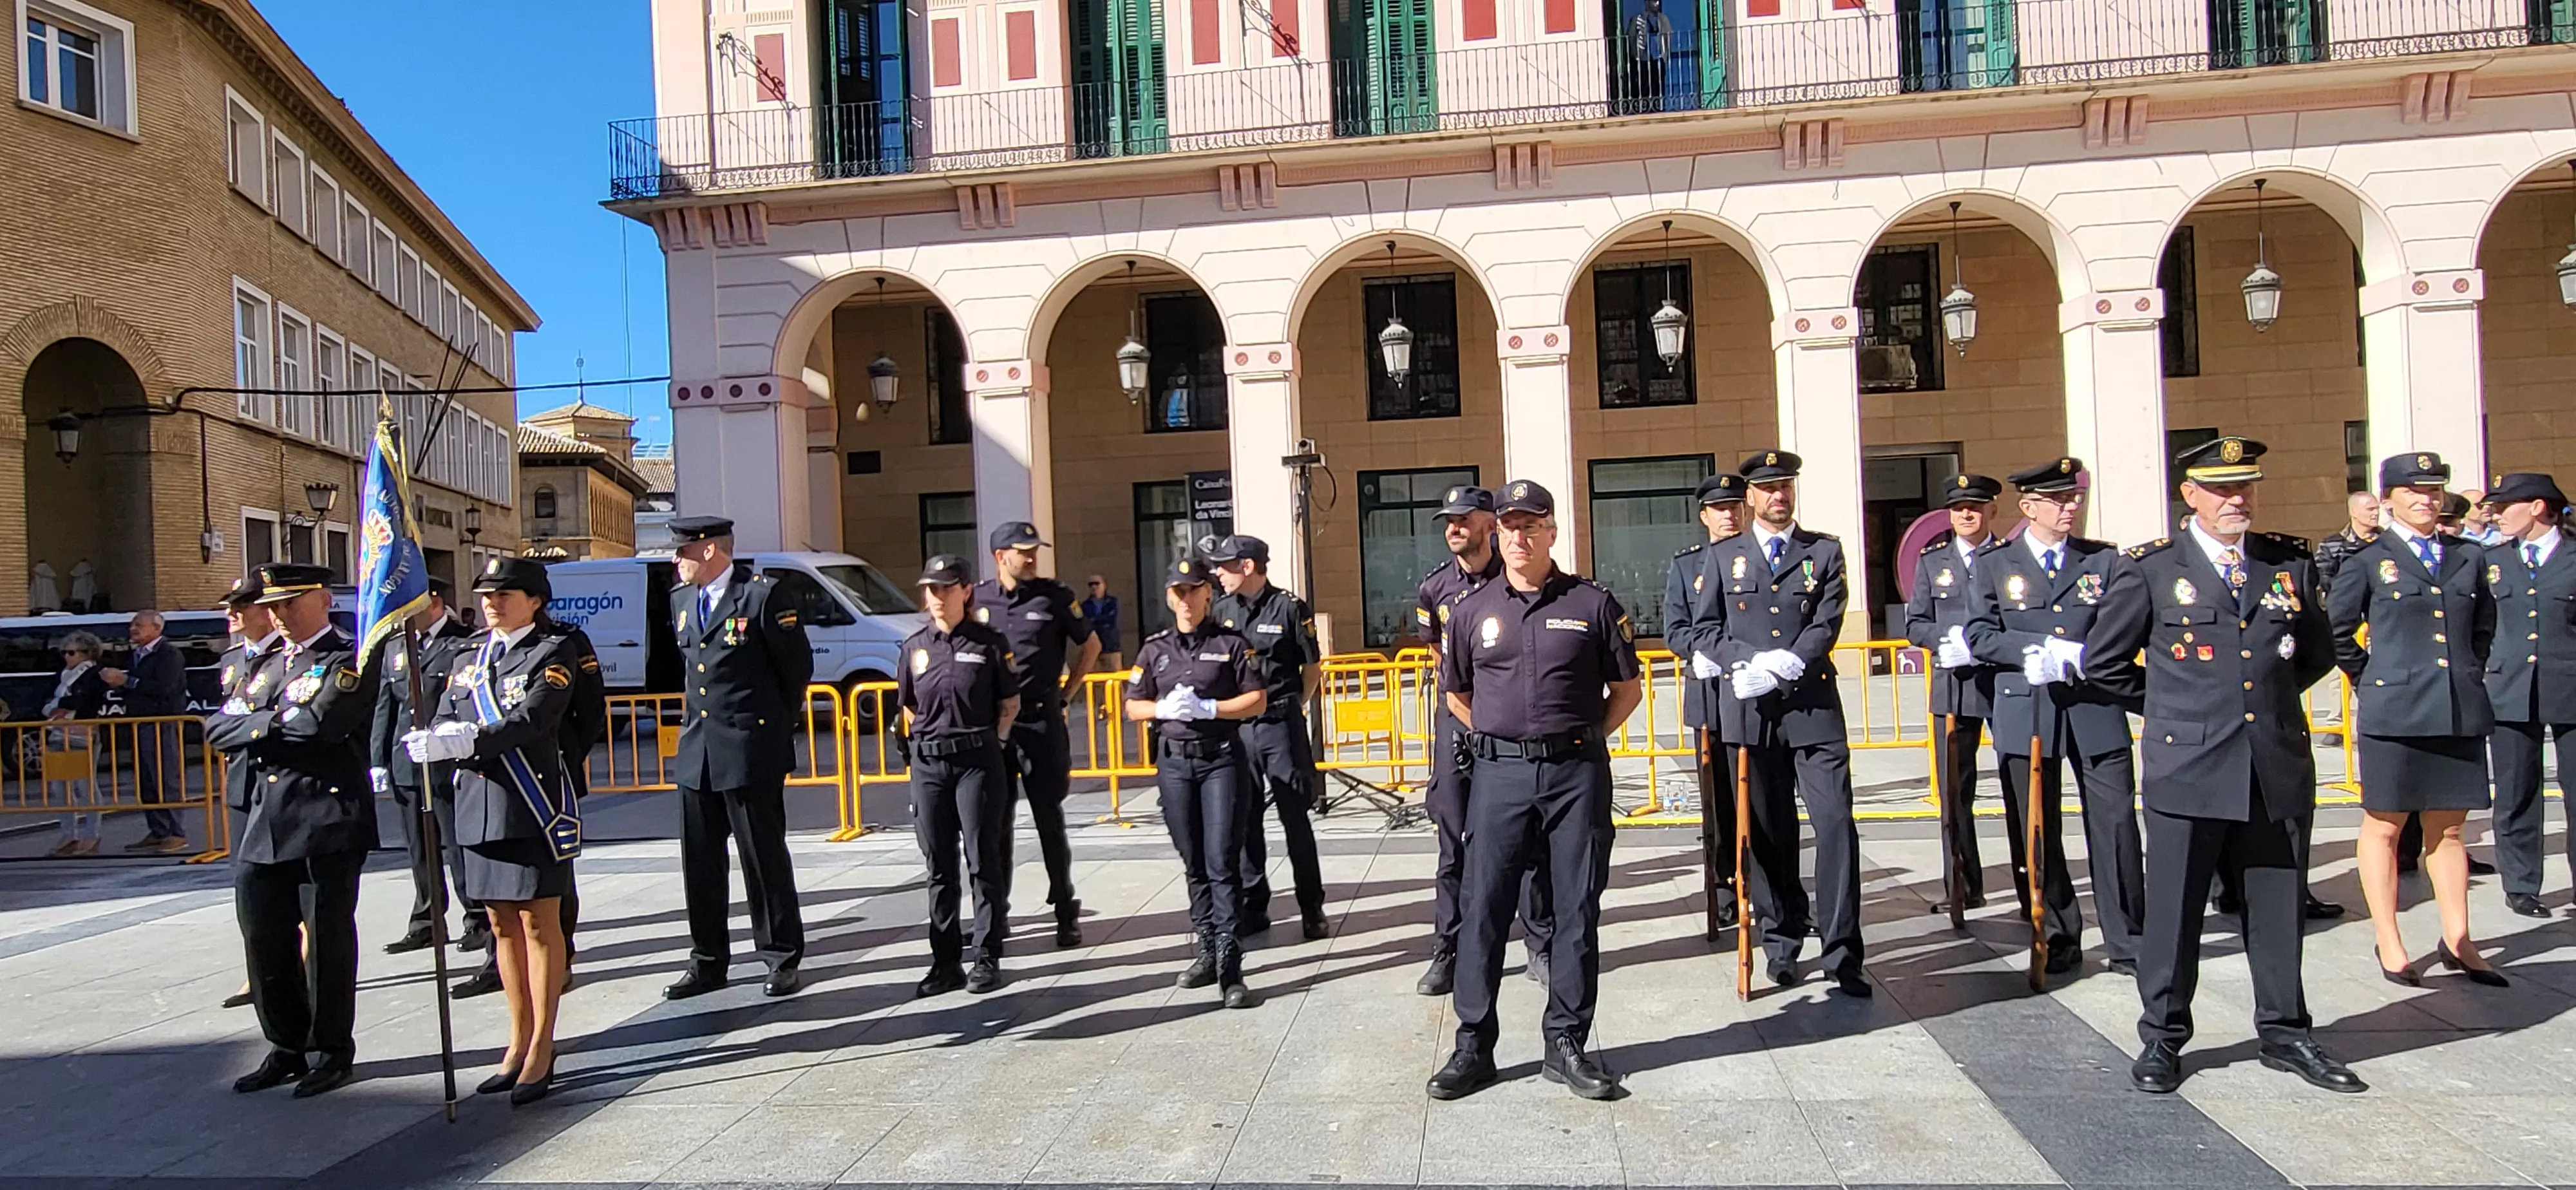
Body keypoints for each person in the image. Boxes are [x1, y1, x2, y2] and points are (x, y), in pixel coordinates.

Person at [2085, 435, 2362, 1095]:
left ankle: (2286, 1032)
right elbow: (2103, 662)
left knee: (2276, 907)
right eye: (2220, 489)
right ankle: (2162, 1036)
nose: (2235, 500)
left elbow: (2315, 654)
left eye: (2244, 487)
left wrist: (2266, 704)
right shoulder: (2151, 569)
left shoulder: (2286, 565)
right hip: (2189, 767)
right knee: (2176, 910)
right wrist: (2178, 708)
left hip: (2273, 763)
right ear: (2190, 495)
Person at [1426, 480, 1641, 1101]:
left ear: (1551, 531)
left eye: (1532, 525)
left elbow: (1626, 688)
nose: (1520, 536)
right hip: (1499, 776)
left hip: (1576, 773)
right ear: (1498, 531)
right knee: (1485, 905)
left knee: (1575, 907)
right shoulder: (1469, 612)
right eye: (1510, 525)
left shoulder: (1592, 603)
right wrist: (1504, 739)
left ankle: (1567, 1043)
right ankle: (1474, 1044)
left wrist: (1579, 738)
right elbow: (1457, 695)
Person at [1683, 450, 1868, 997]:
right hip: (1751, 712)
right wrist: (1745, 659)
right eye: (1767, 489)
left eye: (1785, 486)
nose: (1778, 496)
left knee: (1835, 824)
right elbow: (1702, 629)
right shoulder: (1723, 557)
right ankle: (1781, 939)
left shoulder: (1824, 552)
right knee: (1768, 834)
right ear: (1751, 499)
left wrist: (1787, 663)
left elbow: (1827, 620)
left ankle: (1842, 952)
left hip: (1811, 707)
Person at [405, 557, 583, 1105]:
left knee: (537, 923)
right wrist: (434, 738)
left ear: (534, 600)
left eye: (505, 594)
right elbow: (443, 713)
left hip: (528, 805)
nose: (492, 603)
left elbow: (535, 719)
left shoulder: (553, 652)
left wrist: (467, 741)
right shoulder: (468, 657)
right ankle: (517, 1037)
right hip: (478, 807)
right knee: (499, 925)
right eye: (486, 594)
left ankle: (543, 1044)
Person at [1961, 459, 2146, 979]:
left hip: (2095, 703)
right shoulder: (1996, 564)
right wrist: (2032, 649)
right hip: (2029, 706)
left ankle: (2129, 936)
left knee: (2114, 826)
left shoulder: (2104, 562)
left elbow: (2124, 627)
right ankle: (2057, 932)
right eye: (2058, 500)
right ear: (2029, 507)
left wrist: (2080, 654)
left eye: (2074, 499)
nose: (2070, 508)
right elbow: (1979, 634)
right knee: (2038, 829)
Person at [2327, 452, 2505, 988]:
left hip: (2455, 707)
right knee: (2386, 826)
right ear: (2390, 500)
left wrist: (2467, 673)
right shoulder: (2367, 559)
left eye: (2433, 491)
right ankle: (2390, 937)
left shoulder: (2468, 557)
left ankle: (2459, 939)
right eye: (2414, 491)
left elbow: (2482, 626)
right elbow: (2339, 631)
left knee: (2450, 830)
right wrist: (2373, 679)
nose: (2426, 500)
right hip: (2395, 712)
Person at [206, 562, 377, 1099]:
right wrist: (272, 723)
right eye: (273, 606)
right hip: (265, 818)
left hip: (323, 817)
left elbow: (321, 725)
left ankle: (331, 1049)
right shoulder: (261, 664)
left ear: (323, 600)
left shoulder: (348, 658)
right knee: (262, 934)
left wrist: (258, 726)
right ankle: (285, 1044)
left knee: (326, 940)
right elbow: (217, 726)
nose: (278, 615)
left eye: (290, 604)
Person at [663, 516, 813, 1000]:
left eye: (683, 552)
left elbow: (796, 672)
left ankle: (780, 956)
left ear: (710, 551)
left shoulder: (762, 596)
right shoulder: (681, 601)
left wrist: (767, 733)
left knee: (762, 858)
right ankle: (708, 960)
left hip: (750, 750)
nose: (676, 561)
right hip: (697, 752)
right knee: (701, 864)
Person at [1413, 485, 1555, 996]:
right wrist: (1468, 714)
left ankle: (1540, 944)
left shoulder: (1516, 573)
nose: (1453, 528)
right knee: (1453, 839)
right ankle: (1447, 949)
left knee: (1529, 839)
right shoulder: (1434, 589)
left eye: (1462, 519)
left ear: (1488, 524)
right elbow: (1440, 658)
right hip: (1460, 718)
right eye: (1447, 521)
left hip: (1517, 723)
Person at [1124, 556, 1269, 1008]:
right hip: (1174, 763)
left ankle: (1231, 965)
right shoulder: (1155, 650)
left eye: (1194, 590)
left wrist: (1212, 709)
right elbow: (1134, 705)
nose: (1186, 600)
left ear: (1209, 593)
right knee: (1193, 860)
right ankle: (1206, 947)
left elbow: (1257, 699)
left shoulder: (1230, 643)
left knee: (1222, 859)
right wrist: (1163, 710)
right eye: (1178, 592)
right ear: (1169, 598)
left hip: (1220, 760)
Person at [898, 554, 1021, 996]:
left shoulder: (988, 643)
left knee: (982, 860)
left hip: (976, 761)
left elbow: (1009, 702)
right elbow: (909, 707)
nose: (935, 598)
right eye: (930, 589)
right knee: (938, 867)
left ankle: (986, 956)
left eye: (945, 589)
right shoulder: (915, 647)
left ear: (965, 591)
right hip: (929, 764)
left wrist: (998, 743)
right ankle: (945, 962)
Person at [974, 522, 1100, 947]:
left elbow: (1092, 646)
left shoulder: (1055, 597)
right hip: (995, 726)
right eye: (1023, 552)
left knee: (1050, 818)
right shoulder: (978, 599)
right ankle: (997, 912)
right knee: (996, 821)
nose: (1031, 558)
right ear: (999, 556)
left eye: (1034, 552)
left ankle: (1065, 908)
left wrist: (1067, 695)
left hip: (1041, 721)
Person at [1208, 534, 1331, 940]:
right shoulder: (1220, 609)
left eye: (1226, 565)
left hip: (1280, 724)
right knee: (1243, 819)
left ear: (1248, 567)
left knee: (1295, 817)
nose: (1218, 573)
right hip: (1239, 728)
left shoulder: (1289, 607)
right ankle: (1254, 904)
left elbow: (1311, 668)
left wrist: (1295, 706)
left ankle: (1311, 907)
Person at [1900, 474, 2002, 916]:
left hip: (2004, 681)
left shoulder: (2008, 558)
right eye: (1959, 508)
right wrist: (1946, 640)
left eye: (1976, 507)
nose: (1967, 515)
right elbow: (1916, 623)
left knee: (2022, 787)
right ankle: (1961, 886)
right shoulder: (1932, 561)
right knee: (1955, 794)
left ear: (1992, 511)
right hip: (1955, 685)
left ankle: (2031, 882)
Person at [2482, 474, 2575, 918]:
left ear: (2538, 507)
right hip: (2510, 687)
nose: (2495, 515)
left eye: (2505, 506)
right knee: (2516, 790)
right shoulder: (2492, 561)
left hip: (2570, 684)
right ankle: (2521, 884)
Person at [371, 580, 477, 958]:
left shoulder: (462, 642)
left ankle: (476, 918)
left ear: (434, 602)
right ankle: (427, 920)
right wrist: (378, 758)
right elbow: (387, 705)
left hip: (446, 760)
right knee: (420, 848)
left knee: (456, 844)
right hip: (407, 764)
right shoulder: (396, 647)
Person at [1665, 473, 1749, 932]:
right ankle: (1722, 892)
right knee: (1718, 804)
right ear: (1705, 517)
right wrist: (1699, 654)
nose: (1729, 514)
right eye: (1721, 508)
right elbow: (1676, 628)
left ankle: (1768, 888)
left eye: (1736, 506)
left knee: (1762, 800)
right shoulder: (1687, 566)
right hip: (1711, 700)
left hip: (1754, 697)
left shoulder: (1758, 558)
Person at [213, 576, 281, 1011]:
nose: (232, 615)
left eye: (241, 606)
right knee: (249, 887)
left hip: (285, 783)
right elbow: (220, 723)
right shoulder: (234, 659)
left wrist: (248, 726)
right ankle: (258, 970)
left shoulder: (290, 655)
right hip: (243, 781)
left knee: (295, 886)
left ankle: (305, 963)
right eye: (229, 607)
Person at [103, 610, 193, 853]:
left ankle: (176, 832)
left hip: (162, 723)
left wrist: (127, 682)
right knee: (147, 780)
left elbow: (165, 687)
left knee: (165, 776)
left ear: (156, 628)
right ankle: (158, 830)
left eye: (139, 625)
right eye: (132, 624)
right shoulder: (137, 655)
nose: (133, 629)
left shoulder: (169, 654)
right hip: (140, 722)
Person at [40, 631, 111, 856]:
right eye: (64, 653)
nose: (67, 657)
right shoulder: (62, 676)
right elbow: (44, 698)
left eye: (72, 653)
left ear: (87, 653)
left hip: (82, 733)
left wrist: (62, 704)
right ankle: (68, 833)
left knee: (85, 784)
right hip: (58, 733)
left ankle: (92, 834)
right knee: (59, 785)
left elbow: (85, 700)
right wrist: (56, 706)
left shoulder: (95, 674)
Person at [2315, 491, 2380, 594]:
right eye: (2370, 509)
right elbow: (2323, 579)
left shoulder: (2387, 541)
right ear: (2353, 512)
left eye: (2377, 509)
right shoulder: (2332, 545)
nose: (2376, 513)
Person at [1083, 575, 1123, 672]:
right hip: (1093, 650)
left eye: (1097, 584)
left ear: (1104, 585)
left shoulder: (1112, 602)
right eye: (1091, 584)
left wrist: (1094, 620)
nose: (1094, 587)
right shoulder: (1085, 605)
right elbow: (1085, 623)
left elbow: (1111, 620)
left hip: (1111, 648)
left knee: (1115, 680)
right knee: (1095, 683)